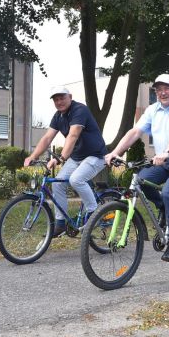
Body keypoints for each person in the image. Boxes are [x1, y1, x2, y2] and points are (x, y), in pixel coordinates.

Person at [105, 74, 169, 262]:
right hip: (165, 160)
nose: (162, 92)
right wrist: (116, 152)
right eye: (158, 89)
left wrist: (166, 152)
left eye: (166, 88)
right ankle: (164, 209)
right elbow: (135, 132)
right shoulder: (152, 110)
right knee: (141, 181)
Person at [24, 86, 107, 236]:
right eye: (56, 99)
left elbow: (73, 135)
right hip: (77, 157)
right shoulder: (58, 116)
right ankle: (60, 224)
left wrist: (61, 158)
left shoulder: (79, 110)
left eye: (62, 98)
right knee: (58, 183)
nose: (59, 102)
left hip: (95, 156)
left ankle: (95, 214)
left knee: (76, 180)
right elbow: (47, 138)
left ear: (70, 97)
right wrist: (33, 156)